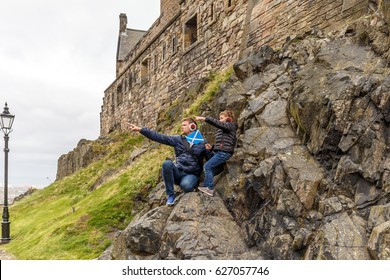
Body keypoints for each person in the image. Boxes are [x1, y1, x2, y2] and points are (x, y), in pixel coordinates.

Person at [129, 118, 211, 206]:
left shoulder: (203, 142)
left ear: (192, 126)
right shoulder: (178, 139)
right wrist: (141, 130)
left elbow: (211, 160)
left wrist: (209, 150)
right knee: (166, 164)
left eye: (184, 125)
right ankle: (171, 195)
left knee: (186, 186)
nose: (181, 127)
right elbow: (159, 137)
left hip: (191, 174)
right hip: (178, 172)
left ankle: (190, 184)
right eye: (181, 125)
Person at [195, 110, 238, 196]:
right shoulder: (224, 129)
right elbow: (223, 144)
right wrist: (212, 148)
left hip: (223, 153)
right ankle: (206, 187)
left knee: (207, 166)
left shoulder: (231, 125)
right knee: (210, 170)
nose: (219, 120)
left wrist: (204, 118)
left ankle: (209, 188)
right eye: (219, 118)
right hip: (221, 152)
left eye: (221, 118)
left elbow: (217, 124)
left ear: (229, 119)